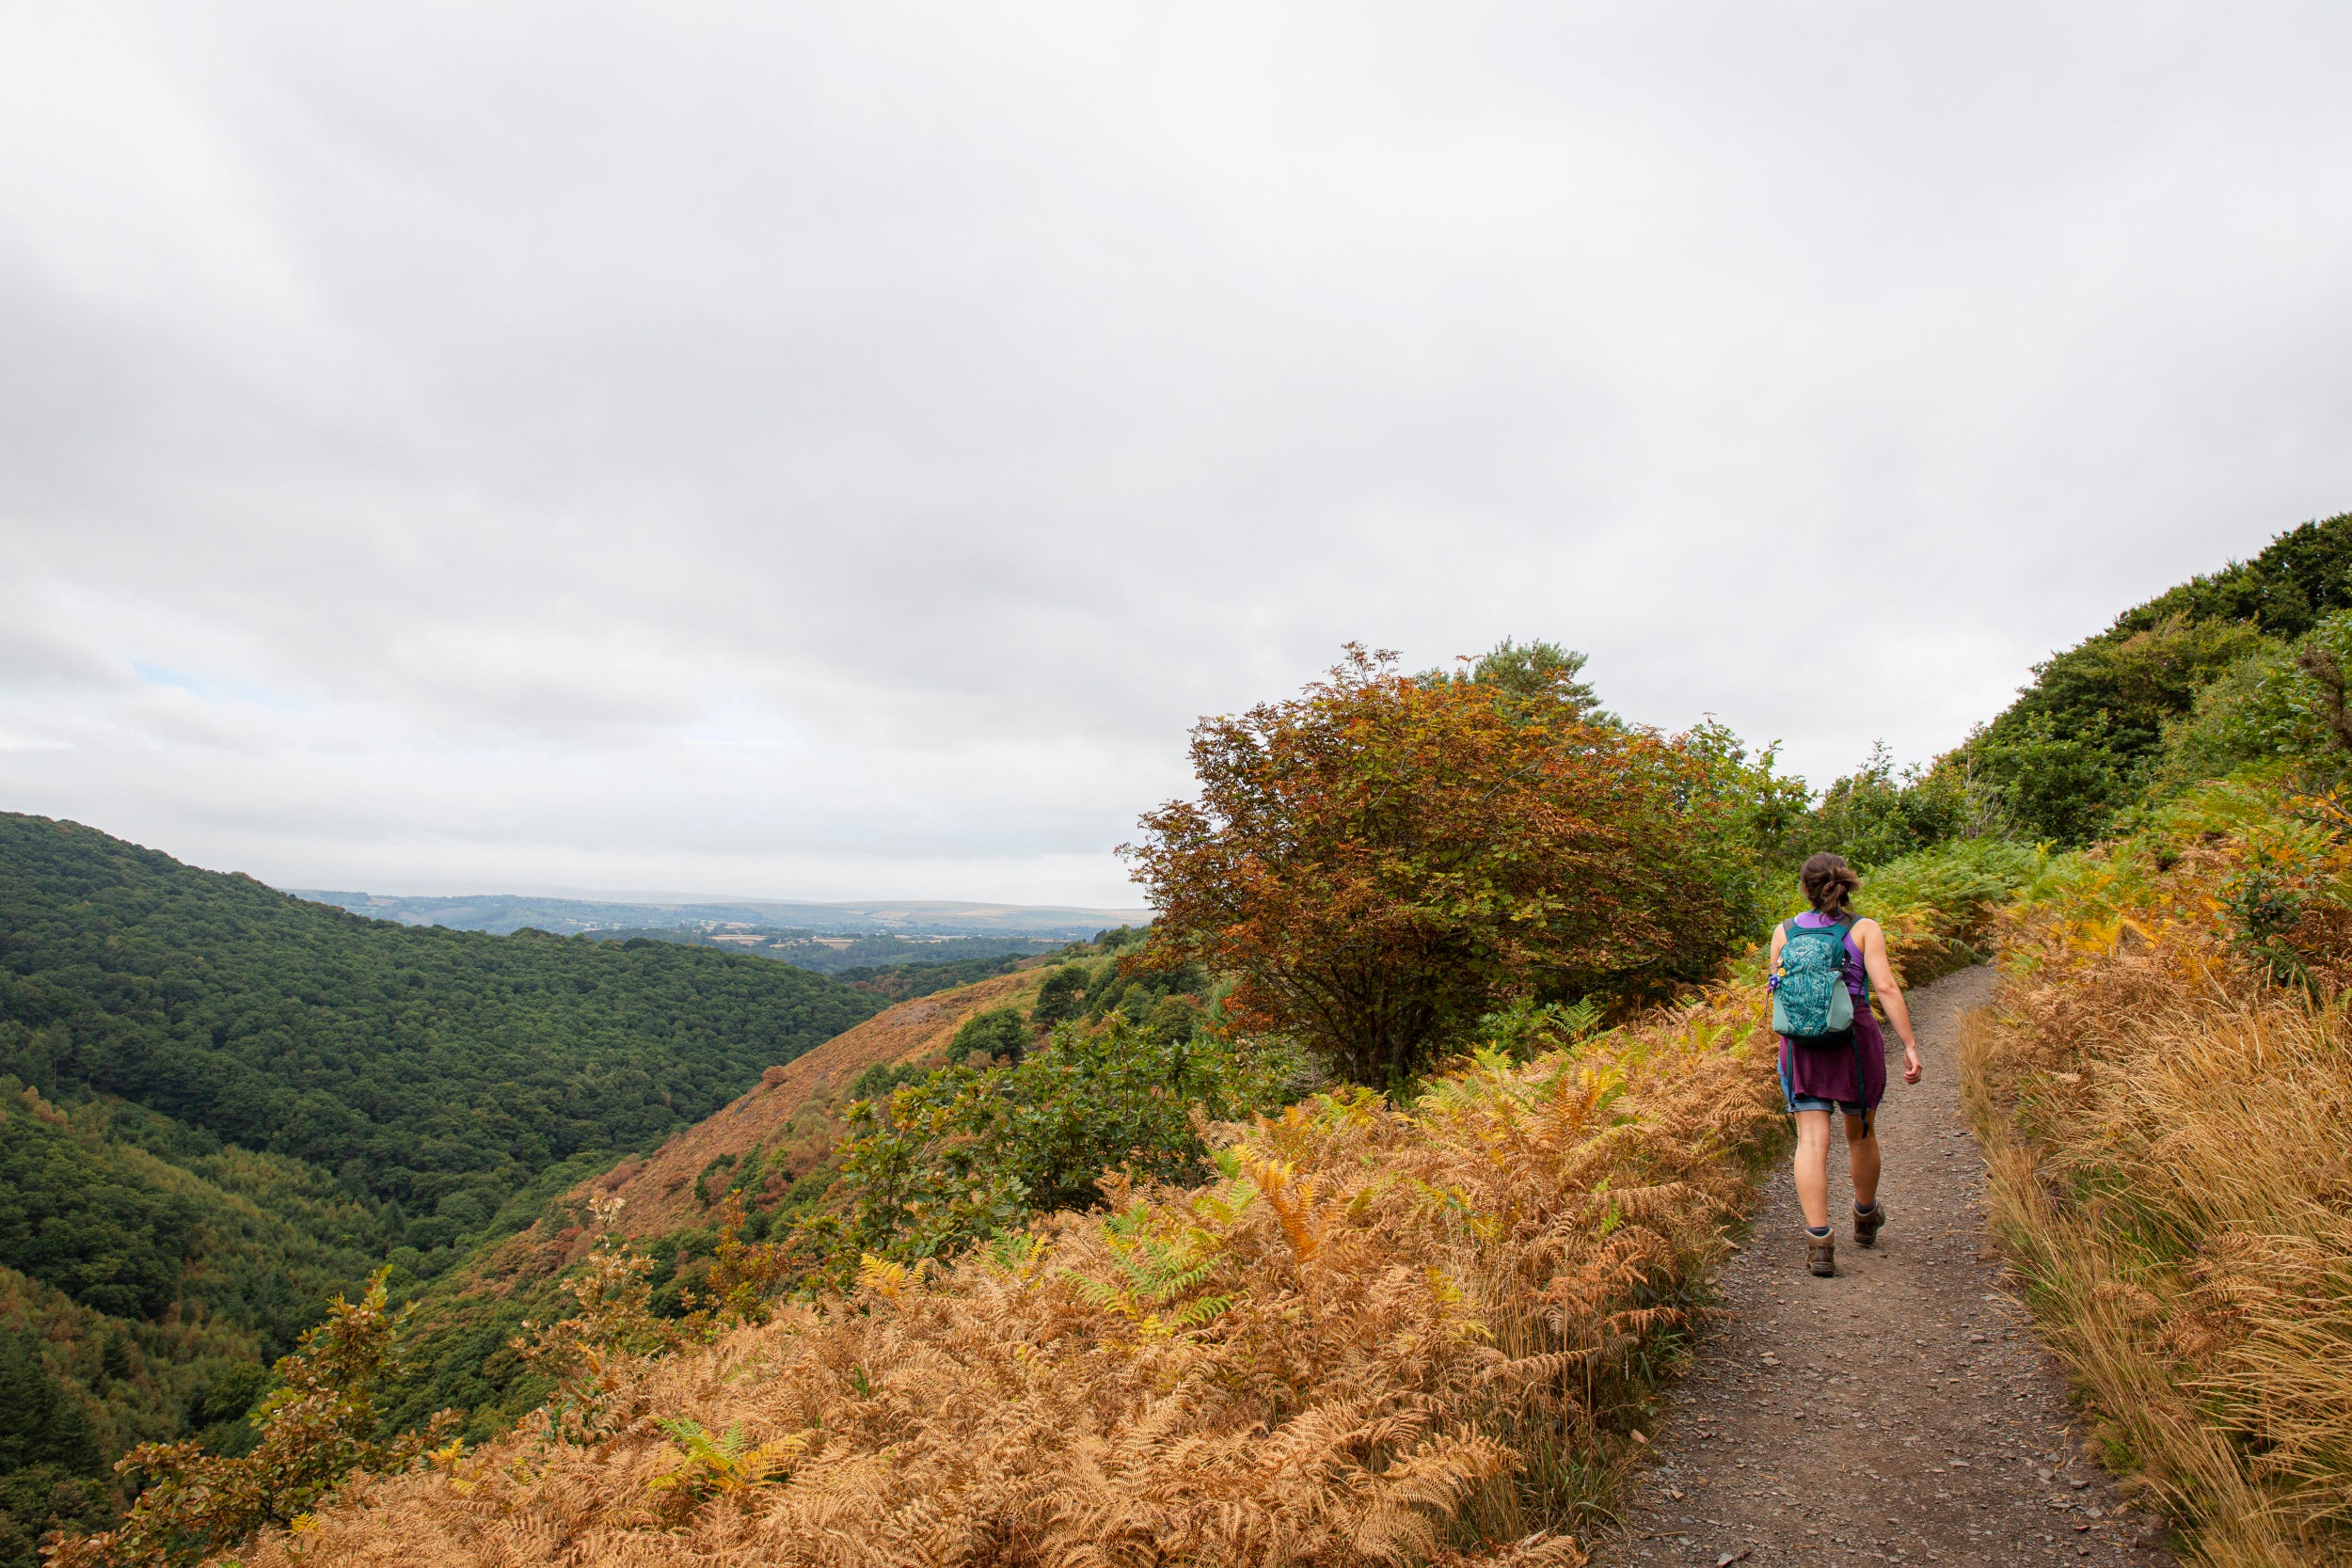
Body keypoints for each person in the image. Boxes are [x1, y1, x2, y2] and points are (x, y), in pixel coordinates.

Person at [1768, 851, 1923, 1276]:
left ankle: (1820, 1244)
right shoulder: (1864, 928)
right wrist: (1909, 1045)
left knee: (1811, 1142)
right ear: (1847, 883)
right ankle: (1865, 1216)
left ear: (1806, 888)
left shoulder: (1785, 931)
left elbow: (1778, 990)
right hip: (1853, 1040)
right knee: (1860, 1133)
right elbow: (1886, 988)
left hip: (1801, 1044)